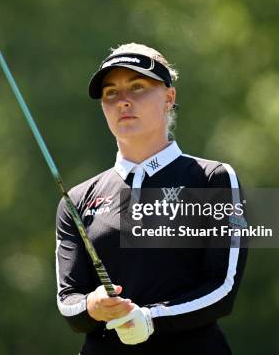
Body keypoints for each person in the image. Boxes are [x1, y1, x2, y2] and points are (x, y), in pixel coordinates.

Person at [55, 43, 248, 354]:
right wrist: (92, 305)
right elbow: (69, 301)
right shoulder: (77, 201)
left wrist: (150, 318)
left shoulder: (211, 178)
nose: (123, 101)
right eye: (111, 93)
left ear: (169, 98)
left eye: (138, 87)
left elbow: (223, 287)